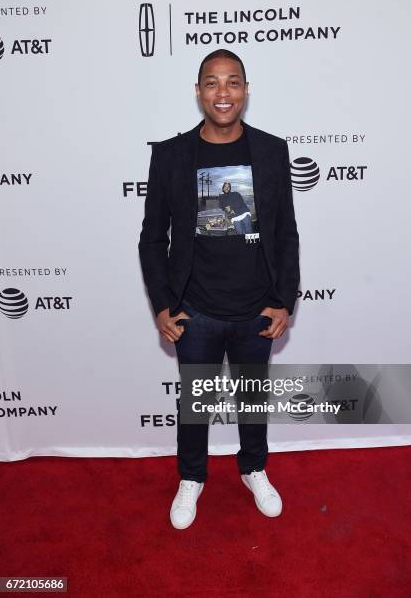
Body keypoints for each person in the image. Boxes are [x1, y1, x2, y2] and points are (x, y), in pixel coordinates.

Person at [138, 48, 300, 530]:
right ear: (198, 91)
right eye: (212, 82)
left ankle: (254, 468)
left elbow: (286, 231)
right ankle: (192, 477)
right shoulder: (170, 155)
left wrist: (284, 299)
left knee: (252, 400)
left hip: (256, 308)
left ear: (246, 90)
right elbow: (152, 237)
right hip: (196, 308)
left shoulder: (272, 151)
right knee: (195, 406)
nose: (222, 93)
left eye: (232, 82)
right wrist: (164, 305)